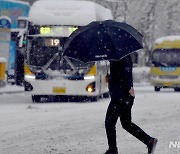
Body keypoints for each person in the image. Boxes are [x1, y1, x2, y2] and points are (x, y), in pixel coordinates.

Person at [104, 55, 158, 154]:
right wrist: (110, 78)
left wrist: (129, 86)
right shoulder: (119, 57)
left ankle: (113, 150)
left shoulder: (122, 57)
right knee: (126, 123)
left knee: (109, 122)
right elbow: (120, 74)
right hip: (124, 95)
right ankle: (149, 141)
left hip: (120, 96)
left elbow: (126, 73)